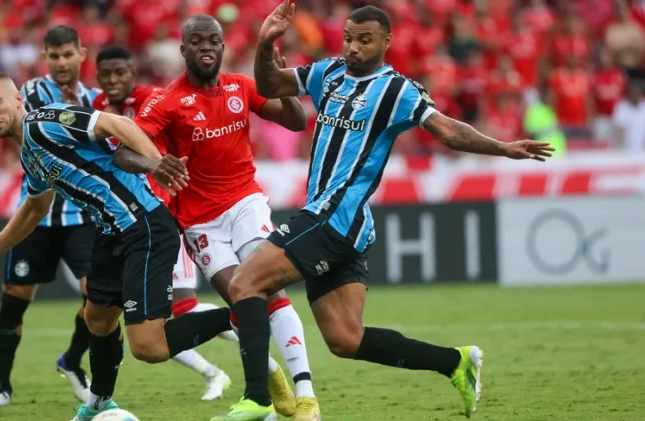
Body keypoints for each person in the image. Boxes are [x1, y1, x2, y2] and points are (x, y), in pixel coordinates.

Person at [213, 3, 555, 421]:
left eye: (365, 40)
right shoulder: (329, 72)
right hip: (346, 227)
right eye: (349, 38)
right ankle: (455, 363)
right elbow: (270, 85)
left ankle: (259, 399)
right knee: (345, 339)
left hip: (333, 219)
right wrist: (266, 44)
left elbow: (447, 129)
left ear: (386, 42)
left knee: (246, 282)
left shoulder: (398, 90)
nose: (353, 48)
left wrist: (502, 147)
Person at [0, 73, 235, 421]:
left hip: (143, 225)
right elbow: (35, 209)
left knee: (149, 348)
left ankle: (240, 316)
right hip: (111, 234)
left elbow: (116, 124)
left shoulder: (44, 121)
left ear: (16, 99)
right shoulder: (30, 155)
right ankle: (100, 403)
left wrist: (155, 165)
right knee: (97, 319)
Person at [114, 14, 320, 420]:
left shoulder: (241, 87)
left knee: (264, 288)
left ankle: (306, 395)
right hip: (199, 221)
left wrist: (281, 81)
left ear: (223, 47)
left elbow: (296, 122)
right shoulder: (167, 101)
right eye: (197, 40)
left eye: (214, 41)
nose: (206, 47)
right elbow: (122, 151)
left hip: (246, 203)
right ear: (183, 49)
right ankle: (269, 377)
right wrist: (153, 165)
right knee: (241, 301)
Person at [93, 44, 234, 401]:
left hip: (164, 217)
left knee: (181, 307)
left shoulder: (155, 100)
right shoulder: (96, 111)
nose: (113, 80)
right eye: (106, 75)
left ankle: (250, 327)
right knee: (150, 321)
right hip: (131, 224)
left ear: (133, 73)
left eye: (120, 73)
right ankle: (218, 367)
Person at [0, 25, 101, 407]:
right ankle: (1, 387)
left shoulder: (98, 98)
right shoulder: (26, 93)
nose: (62, 62)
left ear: (82, 54)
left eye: (68, 55)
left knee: (96, 298)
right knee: (14, 298)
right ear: (45, 57)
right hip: (37, 217)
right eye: (54, 55)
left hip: (81, 215)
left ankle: (73, 361)